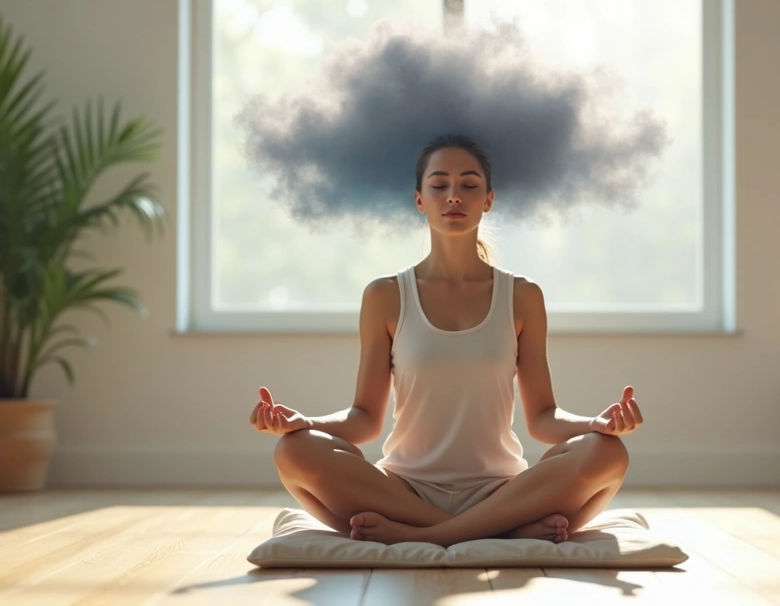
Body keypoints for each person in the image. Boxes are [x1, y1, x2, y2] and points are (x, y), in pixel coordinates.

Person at [251, 134, 643, 546]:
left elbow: (543, 418)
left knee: (608, 453)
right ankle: (496, 532)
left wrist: (598, 424)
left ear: (488, 199)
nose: (453, 196)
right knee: (293, 451)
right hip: (404, 491)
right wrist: (303, 423)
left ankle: (429, 534)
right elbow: (364, 419)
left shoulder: (524, 296)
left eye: (469, 185)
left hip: (501, 491)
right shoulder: (385, 295)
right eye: (439, 185)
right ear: (419, 199)